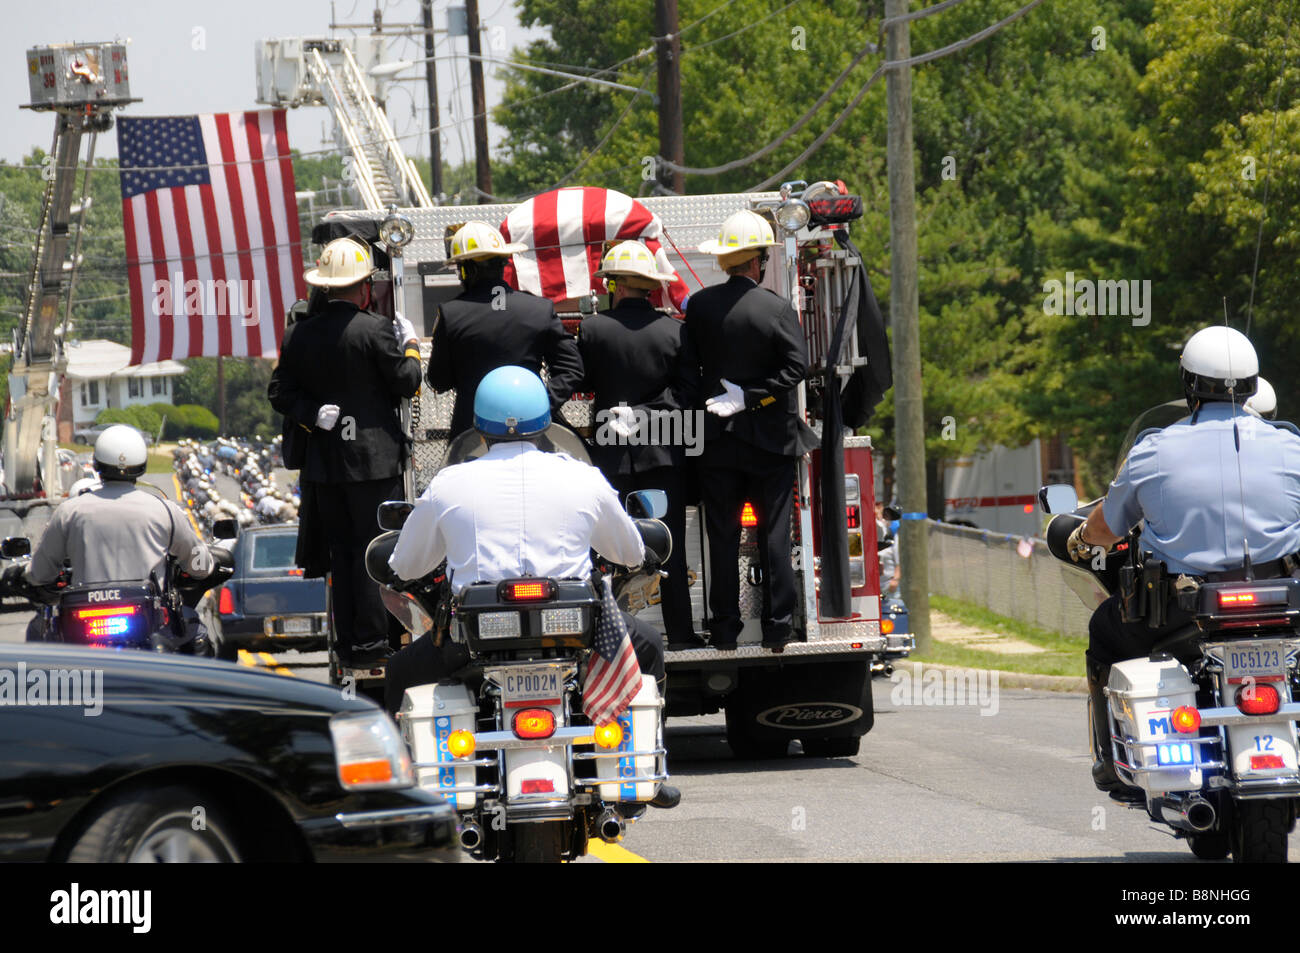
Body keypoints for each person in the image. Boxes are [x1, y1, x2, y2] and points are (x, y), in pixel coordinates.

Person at [382, 366, 679, 808]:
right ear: (546, 423)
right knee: (650, 644)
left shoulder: (448, 484)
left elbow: (404, 565)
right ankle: (642, 769)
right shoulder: (583, 478)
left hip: (473, 640)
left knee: (400, 671)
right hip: (575, 634)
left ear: (479, 428)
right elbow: (631, 555)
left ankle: (394, 790)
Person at [1066, 326, 1300, 801]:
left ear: (1188, 383)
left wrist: (1079, 538)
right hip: (1282, 605)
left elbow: (1107, 527)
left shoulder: (1153, 450)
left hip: (1181, 610)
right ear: (1254, 383)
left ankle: (1112, 762)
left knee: (1105, 631)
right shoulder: (1292, 448)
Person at [268, 236, 422, 666]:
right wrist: (409, 344)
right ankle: (374, 643)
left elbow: (279, 393)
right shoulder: (375, 330)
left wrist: (311, 413)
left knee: (340, 555)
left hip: (326, 464)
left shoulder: (298, 335)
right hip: (374, 463)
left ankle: (350, 644)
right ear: (364, 288)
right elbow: (407, 381)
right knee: (373, 553)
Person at [685, 209, 818, 651]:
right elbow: (797, 367)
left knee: (722, 538)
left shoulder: (700, 307)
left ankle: (724, 629)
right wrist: (755, 396)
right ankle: (777, 626)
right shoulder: (777, 308)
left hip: (718, 443)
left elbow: (687, 371)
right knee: (774, 535)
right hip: (771, 444)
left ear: (725, 261)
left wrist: (713, 404)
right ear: (757, 262)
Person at [578, 240, 702, 649]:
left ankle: (608, 638)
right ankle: (681, 635)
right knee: (670, 550)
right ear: (651, 286)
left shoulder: (592, 329)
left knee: (607, 551)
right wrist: (650, 413)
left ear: (613, 284)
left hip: (609, 457)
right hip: (663, 453)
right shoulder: (675, 331)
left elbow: (582, 382)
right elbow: (689, 392)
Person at [11, 426, 216, 644]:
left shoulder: (69, 511)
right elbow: (201, 567)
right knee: (198, 634)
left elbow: (40, 573)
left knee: (40, 635)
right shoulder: (164, 510)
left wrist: (21, 575)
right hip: (149, 628)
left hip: (84, 628)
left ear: (97, 464)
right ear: (142, 465)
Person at [425, 220, 584, 439]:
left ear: (467, 270)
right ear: (502, 264)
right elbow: (571, 369)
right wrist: (539, 405)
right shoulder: (539, 309)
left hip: (472, 436)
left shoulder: (451, 314)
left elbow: (439, 380)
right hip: (533, 432)